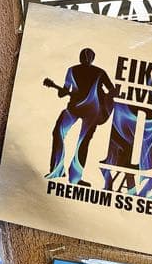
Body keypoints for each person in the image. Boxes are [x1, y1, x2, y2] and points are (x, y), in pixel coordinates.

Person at [46, 48, 116, 186]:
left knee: (82, 142)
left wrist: (103, 103)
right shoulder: (72, 70)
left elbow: (113, 90)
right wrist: (56, 87)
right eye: (84, 56)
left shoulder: (99, 73)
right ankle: (57, 170)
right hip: (75, 108)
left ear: (92, 59)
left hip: (92, 113)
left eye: (87, 57)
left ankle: (75, 178)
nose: (85, 59)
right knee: (59, 132)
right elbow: (63, 92)